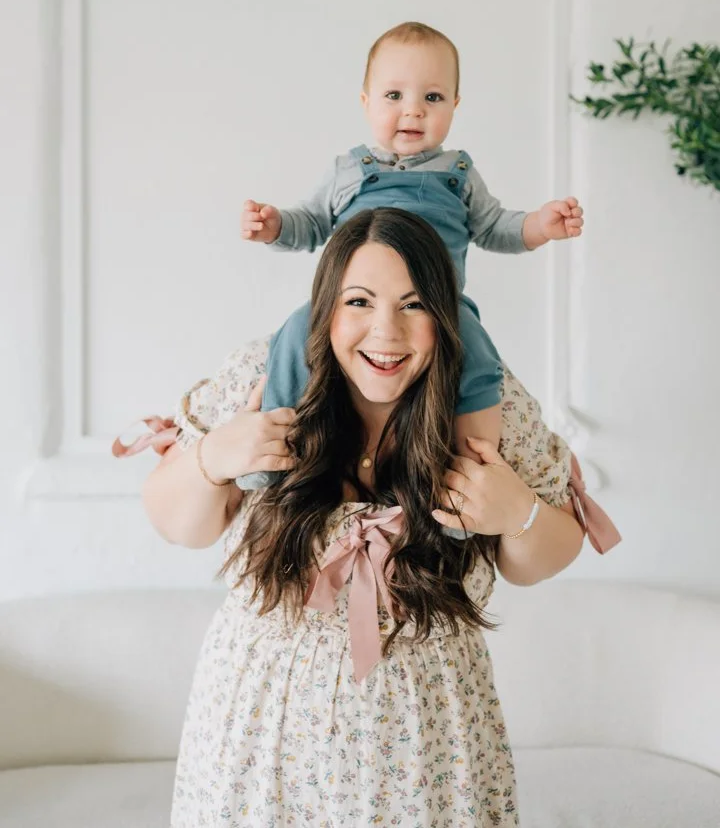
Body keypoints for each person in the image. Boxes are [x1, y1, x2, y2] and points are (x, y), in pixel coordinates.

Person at [137, 208, 620, 827]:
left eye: (413, 304)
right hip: (262, 728)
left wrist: (517, 512)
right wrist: (213, 455)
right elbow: (181, 525)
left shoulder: (485, 403)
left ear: (445, 316)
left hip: (428, 739)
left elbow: (545, 557)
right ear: (324, 309)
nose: (385, 332)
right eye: (359, 301)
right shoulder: (263, 380)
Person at [238, 21, 584, 517]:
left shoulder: (457, 175)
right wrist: (275, 227)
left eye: (434, 97)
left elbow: (495, 228)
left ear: (455, 106)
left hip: (433, 306)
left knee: (476, 349)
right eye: (394, 95)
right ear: (366, 102)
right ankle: (272, 444)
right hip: (352, 303)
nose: (414, 109)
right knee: (296, 330)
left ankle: (467, 478)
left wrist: (539, 225)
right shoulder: (349, 171)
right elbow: (311, 223)